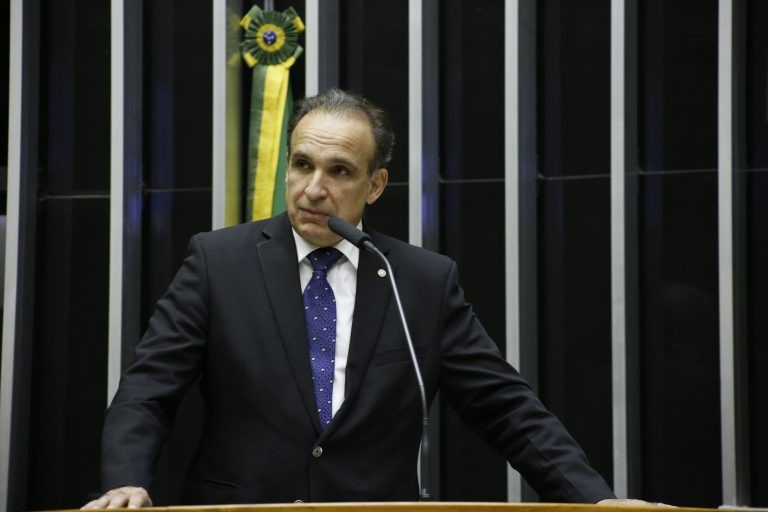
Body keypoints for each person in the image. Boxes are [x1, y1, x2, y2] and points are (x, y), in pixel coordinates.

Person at [84, 89, 637, 508]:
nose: (312, 188)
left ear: (374, 185)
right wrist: (126, 480)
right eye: (302, 164)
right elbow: (147, 391)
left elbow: (507, 408)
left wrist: (593, 500)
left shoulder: (417, 280)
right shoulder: (218, 263)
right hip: (241, 509)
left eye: (339, 171)